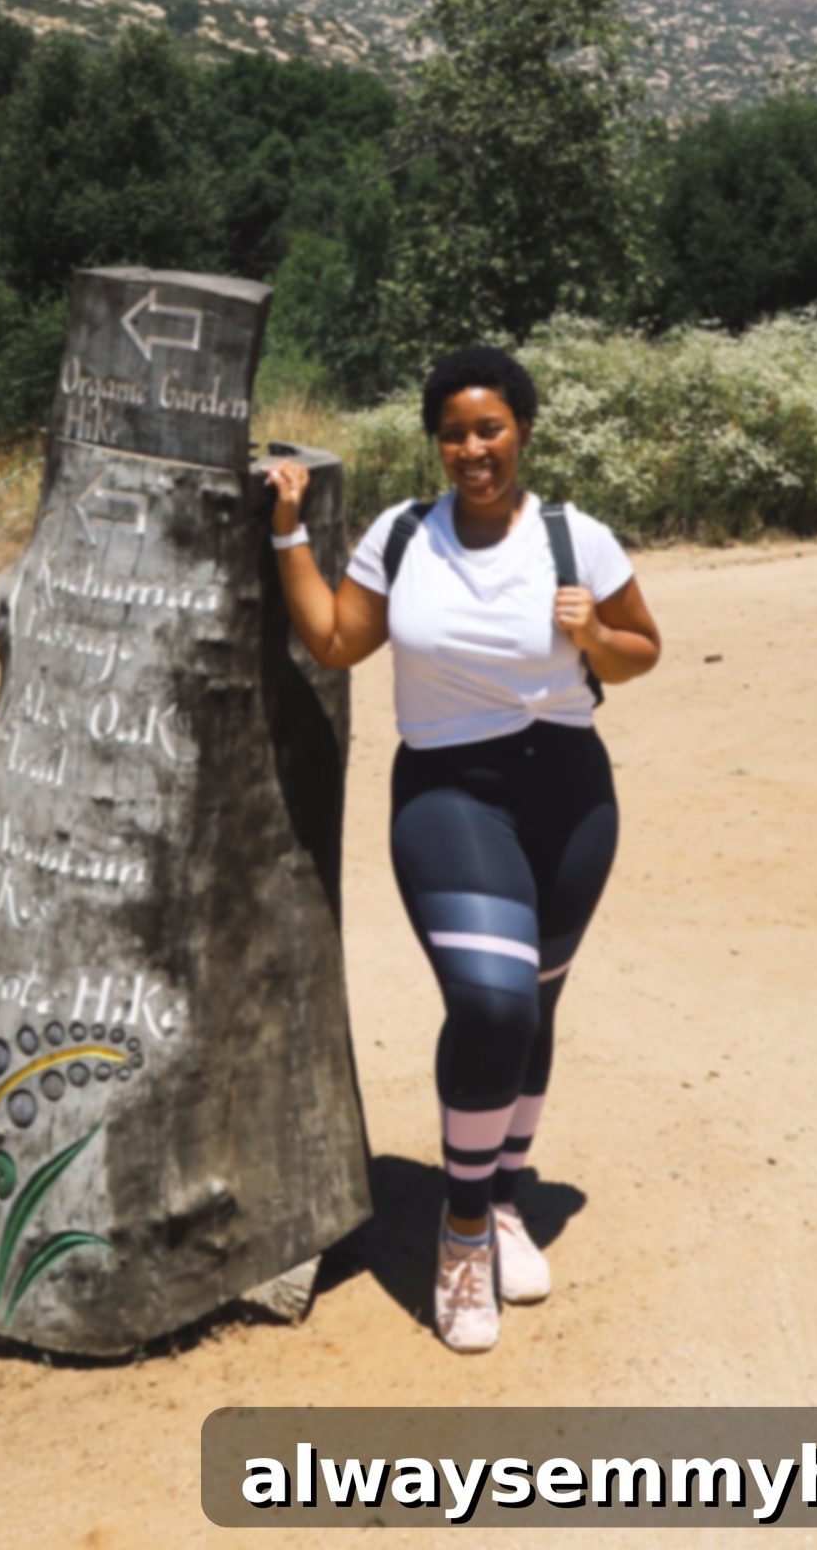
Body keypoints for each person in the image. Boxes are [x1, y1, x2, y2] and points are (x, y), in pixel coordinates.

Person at [263, 343, 662, 1351]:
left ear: (520, 429)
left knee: (532, 1007)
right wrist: (285, 536)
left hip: (569, 796)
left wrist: (592, 636)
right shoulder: (402, 536)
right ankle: (462, 1225)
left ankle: (508, 1195)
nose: (471, 448)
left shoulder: (578, 539)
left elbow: (641, 648)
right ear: (434, 442)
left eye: (489, 427)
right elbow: (334, 641)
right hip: (448, 792)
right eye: (452, 432)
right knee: (488, 1001)